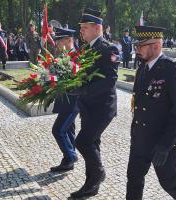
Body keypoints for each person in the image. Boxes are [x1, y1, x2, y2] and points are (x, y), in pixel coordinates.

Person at [126, 25, 176, 200]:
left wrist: (165, 146)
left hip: (163, 143)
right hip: (141, 138)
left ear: (156, 46)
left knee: (169, 183)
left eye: (141, 46)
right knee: (133, 178)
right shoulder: (143, 67)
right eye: (136, 46)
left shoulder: (174, 70)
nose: (137, 50)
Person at [69, 7, 119, 199]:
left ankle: (98, 174)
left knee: (82, 141)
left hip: (102, 107)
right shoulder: (84, 49)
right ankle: (91, 185)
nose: (81, 32)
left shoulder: (109, 49)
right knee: (93, 144)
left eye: (85, 28)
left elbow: (109, 81)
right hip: (87, 106)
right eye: (81, 28)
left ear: (97, 28)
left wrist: (83, 90)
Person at [49, 27, 79, 173]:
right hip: (64, 101)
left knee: (58, 130)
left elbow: (76, 80)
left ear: (69, 40)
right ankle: (68, 161)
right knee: (68, 131)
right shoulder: (63, 55)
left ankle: (72, 156)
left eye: (60, 41)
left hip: (72, 102)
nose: (57, 44)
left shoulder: (77, 56)